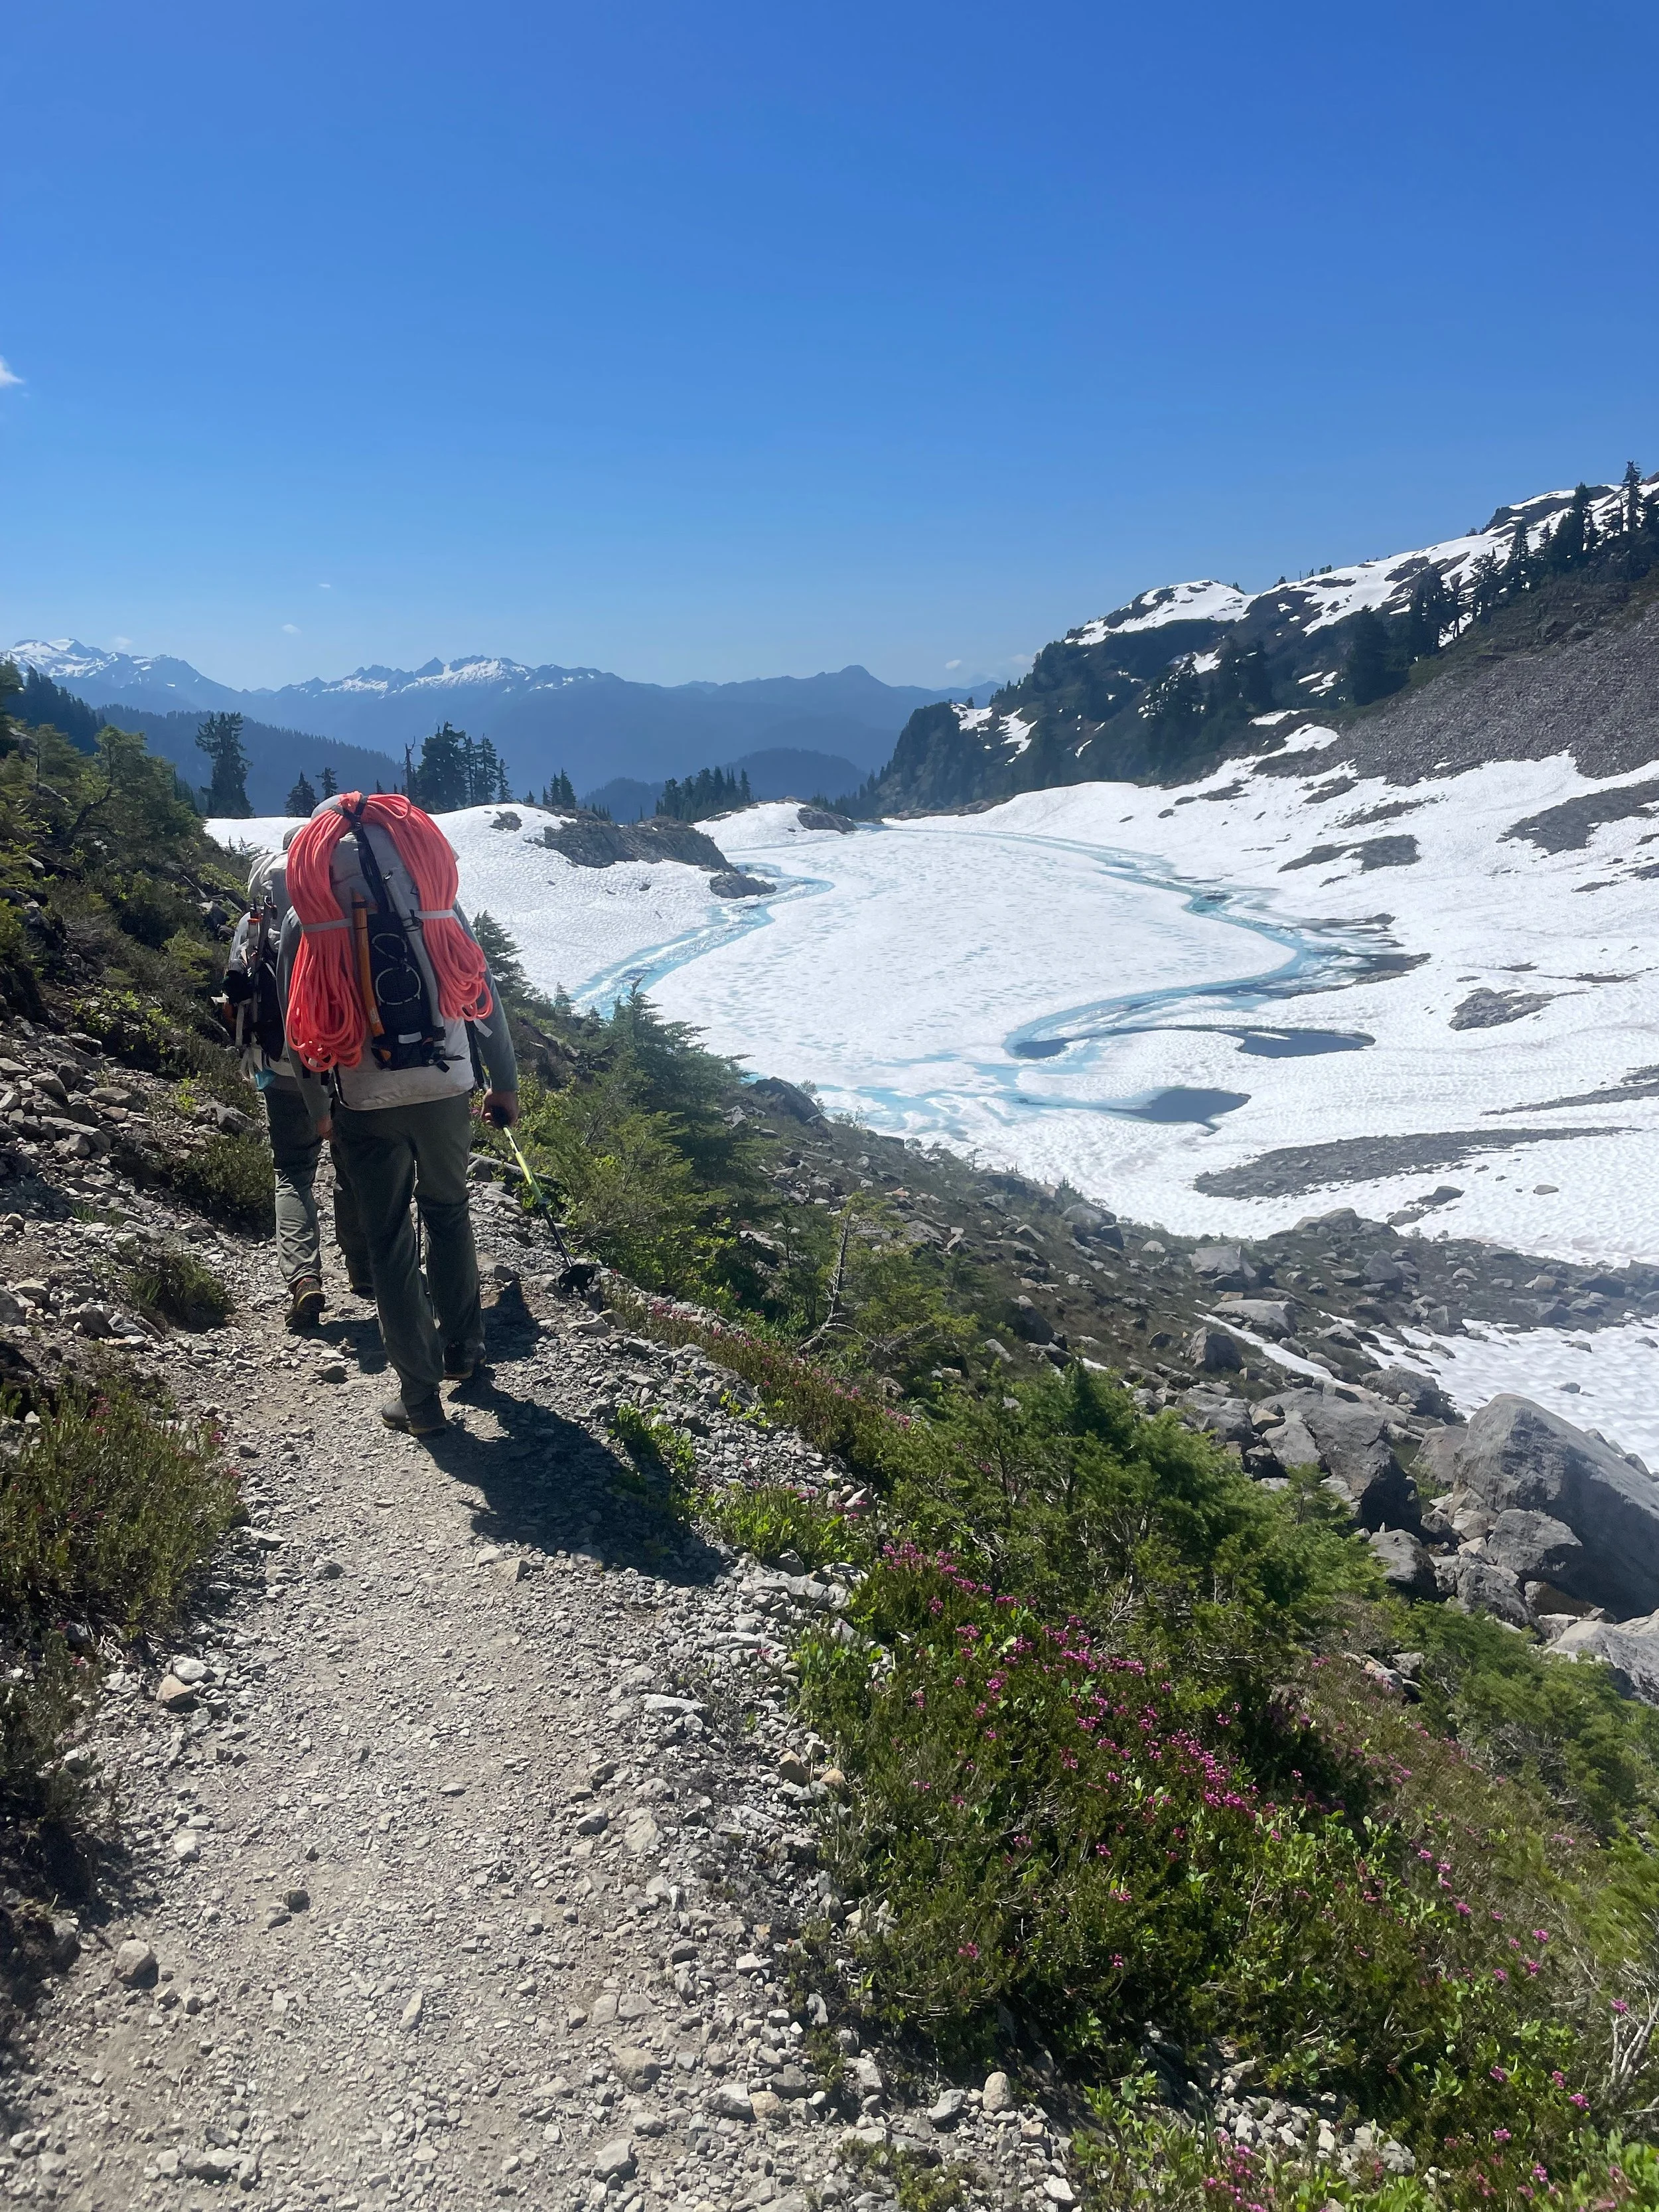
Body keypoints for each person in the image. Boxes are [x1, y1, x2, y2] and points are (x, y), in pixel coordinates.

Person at [276, 792, 518, 1436]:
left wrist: (317, 1107)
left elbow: (295, 1025)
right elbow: (480, 991)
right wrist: (504, 1082)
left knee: (388, 1242)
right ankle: (464, 1350)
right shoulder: (434, 900)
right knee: (449, 1213)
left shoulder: (310, 915)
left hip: (363, 1091)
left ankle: (419, 1400)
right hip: (446, 1084)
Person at [221, 834, 373, 1327]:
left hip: (281, 1060)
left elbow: (232, 996)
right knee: (352, 1167)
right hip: (345, 1059)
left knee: (293, 1170)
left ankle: (304, 1277)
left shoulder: (254, 923)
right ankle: (365, 1270)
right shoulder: (345, 908)